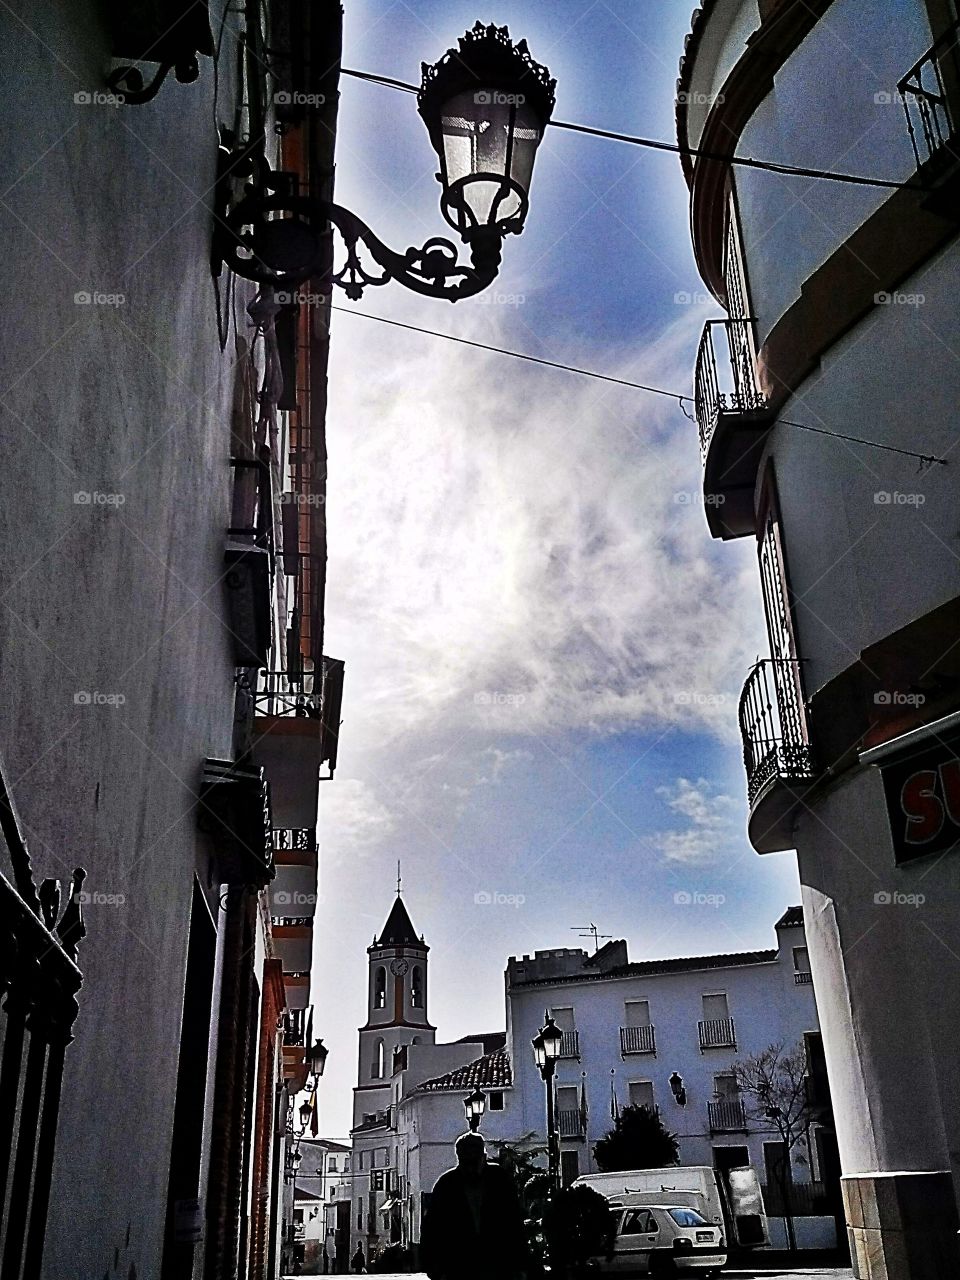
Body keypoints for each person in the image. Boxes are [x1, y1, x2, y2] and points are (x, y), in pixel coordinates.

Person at [420, 1132, 527, 1280]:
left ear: (483, 1157)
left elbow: (514, 1223)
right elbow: (432, 1228)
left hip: (496, 1265)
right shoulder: (446, 1185)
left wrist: (520, 1264)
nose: (470, 1168)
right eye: (466, 1162)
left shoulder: (500, 1180)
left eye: (474, 1161)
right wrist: (434, 1268)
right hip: (461, 1266)